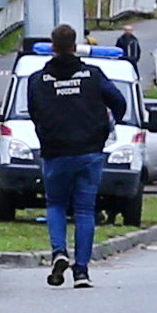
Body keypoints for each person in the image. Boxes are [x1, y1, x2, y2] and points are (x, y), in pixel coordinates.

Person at [26, 24, 127, 288]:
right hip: (89, 151)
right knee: (84, 210)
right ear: (75, 46)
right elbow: (119, 102)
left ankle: (59, 252)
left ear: (52, 46)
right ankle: (81, 271)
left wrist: (46, 135)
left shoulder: (37, 80)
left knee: (56, 205)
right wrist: (105, 128)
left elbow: (34, 112)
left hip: (55, 152)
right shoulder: (92, 75)